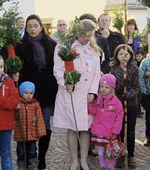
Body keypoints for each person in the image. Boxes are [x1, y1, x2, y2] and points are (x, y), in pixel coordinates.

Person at [53, 19, 102, 170]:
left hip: (87, 94)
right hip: (72, 93)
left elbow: (96, 73)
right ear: (78, 33)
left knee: (85, 128)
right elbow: (58, 69)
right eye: (86, 36)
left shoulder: (94, 49)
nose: (89, 39)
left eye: (91, 35)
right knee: (73, 127)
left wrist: (93, 91)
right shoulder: (65, 47)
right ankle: (74, 160)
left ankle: (84, 161)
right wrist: (66, 82)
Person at [15, 14, 59, 170]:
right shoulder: (20, 45)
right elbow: (16, 67)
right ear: (25, 28)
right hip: (28, 91)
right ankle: (28, 157)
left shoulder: (51, 44)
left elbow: (56, 67)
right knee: (27, 125)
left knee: (45, 124)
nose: (32, 29)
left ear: (41, 26)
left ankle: (42, 158)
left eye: (35, 25)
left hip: (46, 90)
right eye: (29, 26)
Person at [109, 44, 140, 168]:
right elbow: (112, 86)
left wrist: (129, 94)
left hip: (131, 104)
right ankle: (120, 154)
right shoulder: (114, 69)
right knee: (119, 131)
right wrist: (119, 94)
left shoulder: (134, 69)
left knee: (130, 131)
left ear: (130, 55)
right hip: (118, 105)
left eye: (126, 54)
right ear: (117, 56)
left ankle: (131, 154)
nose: (124, 57)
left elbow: (136, 87)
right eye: (121, 54)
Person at [88, 74, 123, 170]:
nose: (103, 89)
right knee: (100, 149)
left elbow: (120, 115)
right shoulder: (98, 100)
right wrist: (90, 104)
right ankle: (102, 166)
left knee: (111, 150)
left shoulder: (116, 102)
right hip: (99, 130)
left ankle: (111, 167)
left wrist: (116, 129)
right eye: (101, 86)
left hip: (110, 131)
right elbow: (94, 111)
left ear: (112, 88)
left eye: (106, 87)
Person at [14, 81, 47, 170]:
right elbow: (14, 118)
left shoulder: (35, 105)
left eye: (31, 93)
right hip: (20, 134)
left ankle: (33, 164)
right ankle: (22, 164)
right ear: (21, 93)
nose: (29, 95)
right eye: (26, 93)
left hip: (32, 134)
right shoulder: (18, 104)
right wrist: (16, 110)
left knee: (32, 150)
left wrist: (40, 132)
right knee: (20, 151)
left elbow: (39, 119)